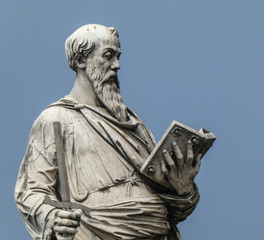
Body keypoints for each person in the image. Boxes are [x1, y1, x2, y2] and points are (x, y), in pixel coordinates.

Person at [15, 24, 202, 240]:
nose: (117, 65)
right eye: (108, 55)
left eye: (118, 57)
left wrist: (183, 187)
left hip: (158, 231)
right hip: (94, 231)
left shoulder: (134, 125)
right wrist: (51, 215)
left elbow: (175, 208)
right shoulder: (55, 119)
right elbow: (30, 191)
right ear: (80, 60)